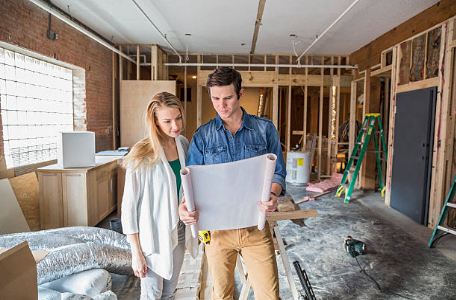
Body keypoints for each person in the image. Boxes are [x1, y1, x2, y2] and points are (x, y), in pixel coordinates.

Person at [179, 67, 286, 300]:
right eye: (215, 98)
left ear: (240, 94)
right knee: (222, 296)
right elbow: (190, 184)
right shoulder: (202, 136)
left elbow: (277, 173)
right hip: (217, 233)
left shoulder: (264, 129)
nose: (221, 105)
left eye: (227, 97)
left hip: (255, 229)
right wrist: (183, 207)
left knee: (270, 296)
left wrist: (272, 196)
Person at [121, 92, 198, 300]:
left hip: (178, 230)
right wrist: (136, 253)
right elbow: (129, 206)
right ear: (155, 121)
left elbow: (186, 185)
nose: (175, 125)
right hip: (152, 237)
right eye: (167, 121)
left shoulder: (182, 143)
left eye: (178, 118)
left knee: (170, 292)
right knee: (152, 294)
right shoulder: (142, 152)